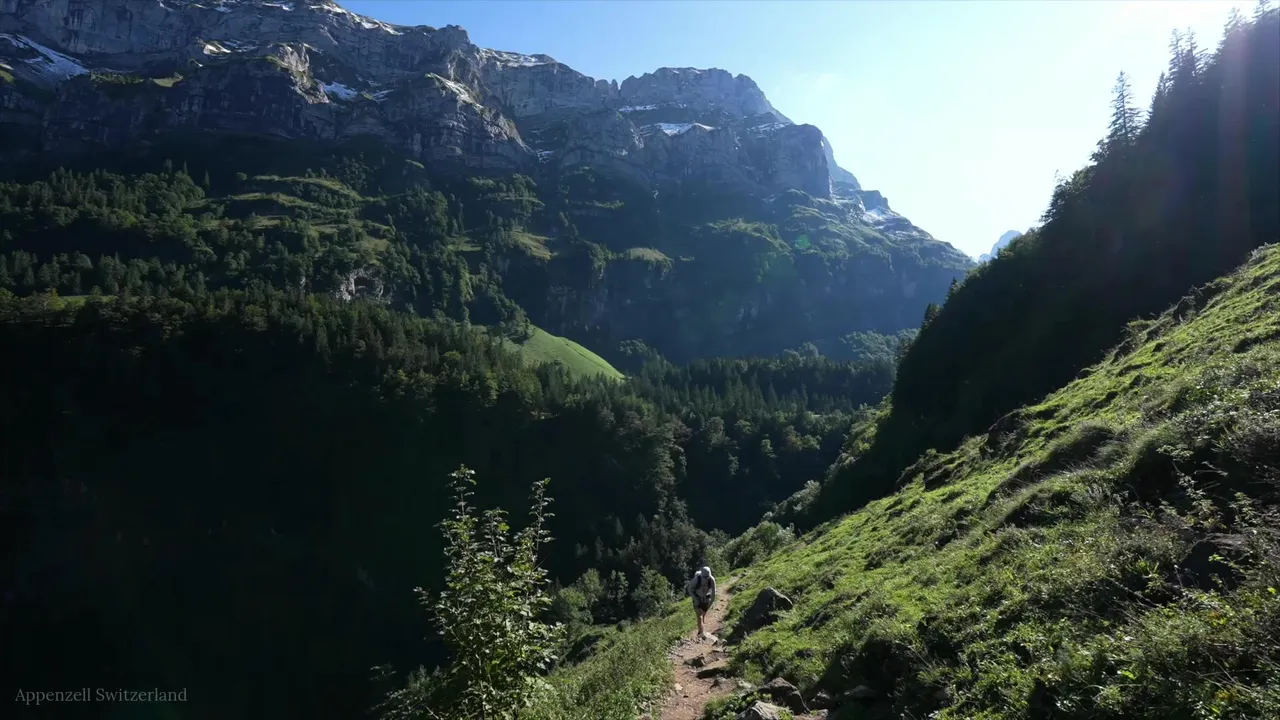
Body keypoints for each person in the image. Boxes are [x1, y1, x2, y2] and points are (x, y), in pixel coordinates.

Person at [686, 565, 717, 638]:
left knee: (703, 615)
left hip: (706, 599)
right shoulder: (696, 579)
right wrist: (695, 599)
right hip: (697, 598)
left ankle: (700, 631)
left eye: (707, 577)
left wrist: (709, 605)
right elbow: (689, 589)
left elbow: (713, 594)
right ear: (701, 576)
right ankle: (702, 634)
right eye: (704, 578)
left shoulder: (712, 580)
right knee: (699, 617)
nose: (706, 579)